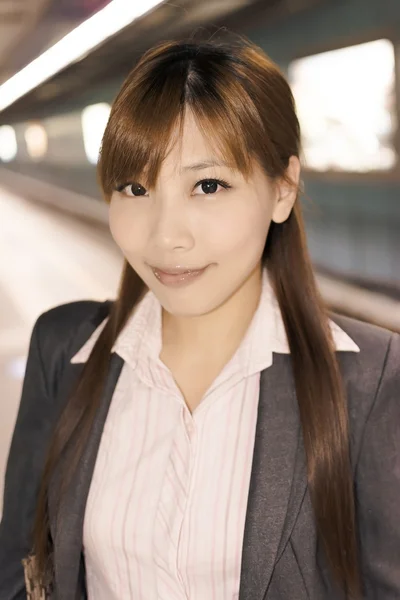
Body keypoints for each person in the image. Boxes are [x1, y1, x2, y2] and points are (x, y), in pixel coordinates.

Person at [0, 37, 399, 600]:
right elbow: (19, 568)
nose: (165, 236)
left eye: (208, 186)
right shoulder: (64, 350)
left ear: (283, 189)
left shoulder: (374, 378)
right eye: (136, 188)